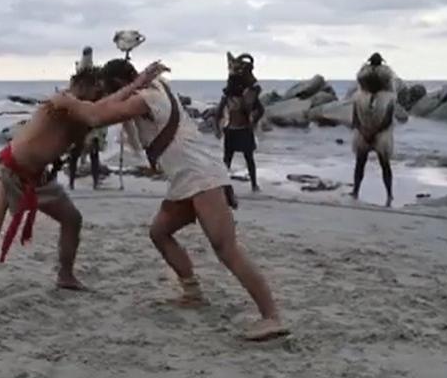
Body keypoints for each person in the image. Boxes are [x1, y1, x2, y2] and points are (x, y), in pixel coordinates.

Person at [51, 59, 288, 341]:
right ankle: (192, 292)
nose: (104, 93)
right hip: (186, 177)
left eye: (107, 88)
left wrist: (63, 101)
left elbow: (95, 117)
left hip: (200, 176)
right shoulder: (157, 87)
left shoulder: (146, 98)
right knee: (160, 232)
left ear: (121, 83)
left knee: (226, 249)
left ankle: (271, 316)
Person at [0, 62, 166, 293]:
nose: (92, 94)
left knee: (72, 219)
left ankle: (65, 275)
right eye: (88, 89)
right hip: (6, 174)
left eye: (95, 91)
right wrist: (138, 83)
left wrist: (136, 86)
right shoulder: (59, 102)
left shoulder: (84, 113)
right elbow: (98, 111)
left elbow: (100, 113)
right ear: (77, 84)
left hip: (37, 178)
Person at [350, 53, 397, 207]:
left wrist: (365, 132)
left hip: (366, 133)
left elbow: (355, 119)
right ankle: (388, 194)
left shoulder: (359, 96)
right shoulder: (388, 96)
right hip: (378, 134)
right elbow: (387, 120)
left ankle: (357, 191)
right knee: (382, 164)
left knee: (362, 163)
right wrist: (373, 132)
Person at [216, 52, 264, 191]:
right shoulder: (237, 97)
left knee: (240, 159)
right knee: (234, 159)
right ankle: (248, 185)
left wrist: (218, 128)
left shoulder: (242, 96)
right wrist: (253, 122)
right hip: (237, 130)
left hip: (236, 130)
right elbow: (260, 110)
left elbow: (260, 110)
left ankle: (249, 185)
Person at [68, 46, 106, 190]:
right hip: (80, 120)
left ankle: (93, 182)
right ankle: (73, 181)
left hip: (92, 120)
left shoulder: (96, 84)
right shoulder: (78, 84)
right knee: (75, 154)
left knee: (91, 153)